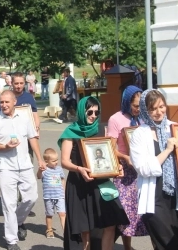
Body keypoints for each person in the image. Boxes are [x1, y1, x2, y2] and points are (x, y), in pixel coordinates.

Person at [59, 96, 128, 250]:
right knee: (85, 229)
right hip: (79, 184)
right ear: (82, 111)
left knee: (110, 222)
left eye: (97, 112)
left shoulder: (101, 128)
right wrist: (79, 168)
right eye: (90, 112)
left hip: (101, 182)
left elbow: (109, 152)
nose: (93, 116)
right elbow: (64, 161)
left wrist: (117, 167)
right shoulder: (71, 132)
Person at [130, 89, 178, 249]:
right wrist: (167, 150)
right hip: (155, 197)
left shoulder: (175, 128)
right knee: (167, 245)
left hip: (176, 196)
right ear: (145, 110)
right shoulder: (139, 134)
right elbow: (143, 168)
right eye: (153, 109)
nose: (159, 112)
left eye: (162, 107)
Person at [0, 90, 46, 250]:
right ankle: (11, 240)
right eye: (1, 102)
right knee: (9, 204)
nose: (3, 105)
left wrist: (40, 159)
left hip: (25, 165)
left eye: (7, 102)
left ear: (14, 102)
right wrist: (4, 146)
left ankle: (18, 221)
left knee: (31, 197)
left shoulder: (25, 118)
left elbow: (32, 138)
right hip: (6, 168)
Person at [106, 85, 148, 249]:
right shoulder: (116, 119)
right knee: (125, 210)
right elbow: (110, 147)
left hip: (141, 169)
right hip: (124, 170)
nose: (138, 109)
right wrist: (125, 157)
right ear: (126, 102)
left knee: (143, 209)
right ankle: (126, 245)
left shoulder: (144, 118)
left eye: (141, 106)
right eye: (136, 106)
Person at [36, 148, 65, 239]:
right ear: (46, 161)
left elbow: (62, 179)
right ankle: (49, 229)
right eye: (53, 161)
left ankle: (66, 232)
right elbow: (39, 177)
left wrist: (64, 190)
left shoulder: (59, 169)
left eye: (57, 160)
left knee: (62, 213)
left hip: (59, 195)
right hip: (48, 196)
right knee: (49, 214)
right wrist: (40, 170)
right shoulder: (45, 170)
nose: (56, 162)